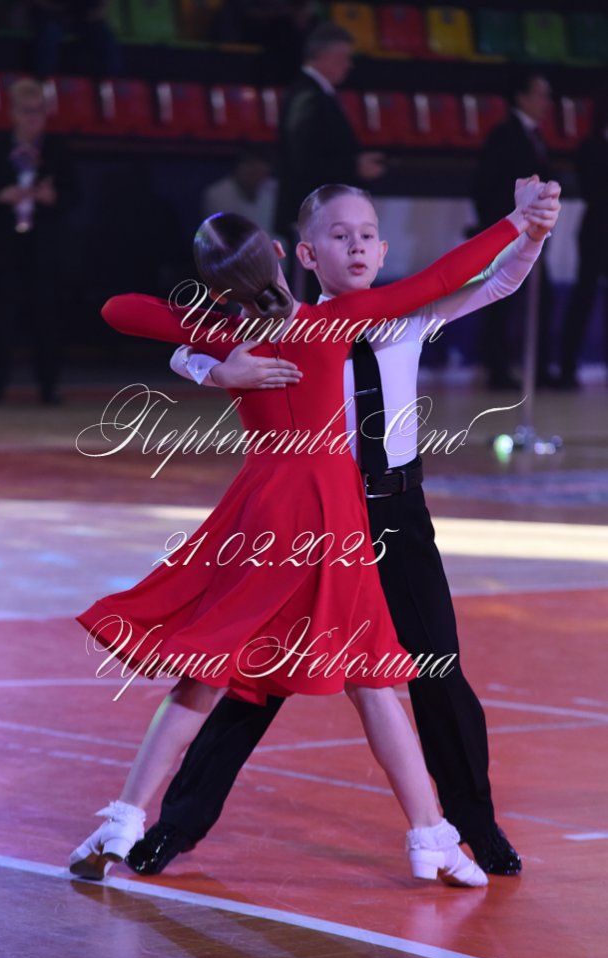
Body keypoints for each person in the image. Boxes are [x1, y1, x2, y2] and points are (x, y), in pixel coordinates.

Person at [69, 179, 552, 885]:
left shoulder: (254, 329)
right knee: (331, 681)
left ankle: (128, 815)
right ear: (293, 253)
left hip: (321, 513)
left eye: (367, 234)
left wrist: (216, 354)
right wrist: (512, 218)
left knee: (262, 669)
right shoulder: (340, 320)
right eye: (340, 234)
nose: (356, 245)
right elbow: (448, 271)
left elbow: (124, 310)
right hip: (330, 514)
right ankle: (419, 837)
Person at [0, 77, 76, 404]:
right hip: (3, 248)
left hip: (44, 248)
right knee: (0, 317)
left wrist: (52, 197)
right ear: (13, 113)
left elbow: (74, 195)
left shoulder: (56, 151)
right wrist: (2, 195)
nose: (33, 118)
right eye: (26, 111)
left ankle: (49, 386)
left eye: (38, 111)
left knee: (47, 317)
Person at [275, 22, 385, 296]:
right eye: (344, 57)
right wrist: (354, 166)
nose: (349, 65)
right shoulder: (307, 95)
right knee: (311, 293)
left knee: (324, 292)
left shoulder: (317, 93)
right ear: (325, 56)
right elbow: (301, 158)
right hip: (310, 216)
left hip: (323, 215)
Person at [473, 70, 556, 390]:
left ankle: (538, 368)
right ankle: (498, 369)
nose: (546, 102)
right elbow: (485, 186)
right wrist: (503, 230)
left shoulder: (535, 136)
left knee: (541, 301)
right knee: (500, 302)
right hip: (508, 236)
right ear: (521, 97)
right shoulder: (504, 135)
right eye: (540, 94)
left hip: (532, 236)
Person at [557, 100, 608, 389]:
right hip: (597, 233)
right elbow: (593, 191)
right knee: (584, 298)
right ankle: (567, 368)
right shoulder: (591, 146)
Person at [201, 151, 276, 233]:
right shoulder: (216, 194)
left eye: (261, 174)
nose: (257, 178)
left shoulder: (273, 189)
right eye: (254, 172)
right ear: (240, 168)